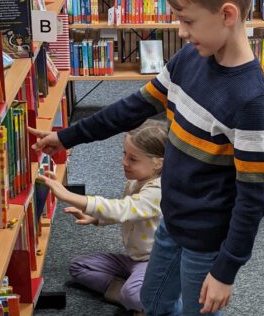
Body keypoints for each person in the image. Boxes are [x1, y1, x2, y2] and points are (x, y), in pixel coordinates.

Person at [29, 0, 264, 313]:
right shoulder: (188, 59)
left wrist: (225, 271)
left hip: (205, 242)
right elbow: (132, 108)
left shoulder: (251, 101)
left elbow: (254, 196)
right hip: (170, 220)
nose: (180, 31)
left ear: (228, 14)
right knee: (151, 300)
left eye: (188, 21)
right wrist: (67, 137)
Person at [36, 119, 168, 313]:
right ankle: (134, 295)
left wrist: (70, 196)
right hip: (134, 258)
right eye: (125, 154)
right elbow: (129, 213)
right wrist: (97, 219)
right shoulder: (138, 180)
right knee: (79, 266)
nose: (124, 162)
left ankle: (150, 297)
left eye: (133, 159)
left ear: (158, 164)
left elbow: (122, 209)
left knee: (132, 294)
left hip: (153, 261)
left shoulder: (158, 190)